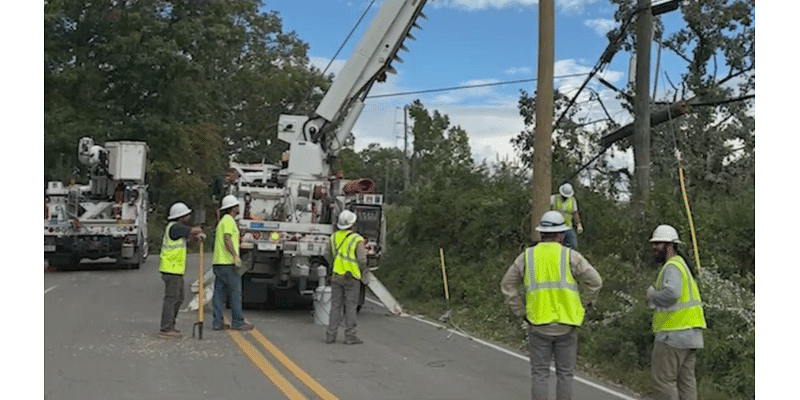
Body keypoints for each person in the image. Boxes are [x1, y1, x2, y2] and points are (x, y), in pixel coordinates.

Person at [501, 210, 602, 400]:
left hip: (538, 324)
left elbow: (507, 285)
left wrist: (520, 311)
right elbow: (595, 282)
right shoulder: (570, 256)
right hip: (566, 325)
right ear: (561, 235)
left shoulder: (527, 257)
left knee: (540, 375)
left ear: (541, 234)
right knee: (565, 375)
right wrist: (583, 304)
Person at [645, 225, 706, 400]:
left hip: (673, 335)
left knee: (663, 381)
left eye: (658, 244)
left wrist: (652, 296)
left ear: (669, 246)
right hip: (691, 334)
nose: (654, 248)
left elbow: (672, 293)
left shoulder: (672, 267)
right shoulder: (682, 265)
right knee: (686, 383)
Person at [158, 202, 204, 339]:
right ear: (181, 217)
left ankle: (170, 325)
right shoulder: (175, 227)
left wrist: (195, 239)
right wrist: (199, 231)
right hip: (171, 270)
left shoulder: (177, 229)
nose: (188, 217)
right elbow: (193, 231)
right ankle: (166, 328)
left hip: (175, 270)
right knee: (172, 299)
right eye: (186, 215)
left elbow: (188, 241)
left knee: (179, 298)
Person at [325, 210, 368, 345]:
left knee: (335, 306)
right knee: (350, 307)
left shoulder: (333, 238)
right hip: (351, 278)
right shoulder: (356, 239)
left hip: (336, 276)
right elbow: (362, 259)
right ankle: (350, 336)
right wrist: (361, 271)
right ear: (352, 224)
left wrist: (334, 267)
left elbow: (328, 255)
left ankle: (330, 335)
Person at [211, 194, 253, 331]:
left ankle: (217, 322)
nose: (238, 207)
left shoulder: (223, 221)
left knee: (218, 294)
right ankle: (237, 321)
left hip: (218, 263)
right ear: (232, 208)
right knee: (235, 293)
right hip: (228, 263)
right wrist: (235, 256)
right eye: (236, 206)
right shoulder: (229, 220)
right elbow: (227, 239)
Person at [550, 183, 583, 250]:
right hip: (556, 227)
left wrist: (578, 224)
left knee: (573, 246)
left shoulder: (572, 200)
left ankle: (570, 259)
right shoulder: (554, 198)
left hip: (568, 227)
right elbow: (545, 207)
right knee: (556, 247)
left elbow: (575, 213)